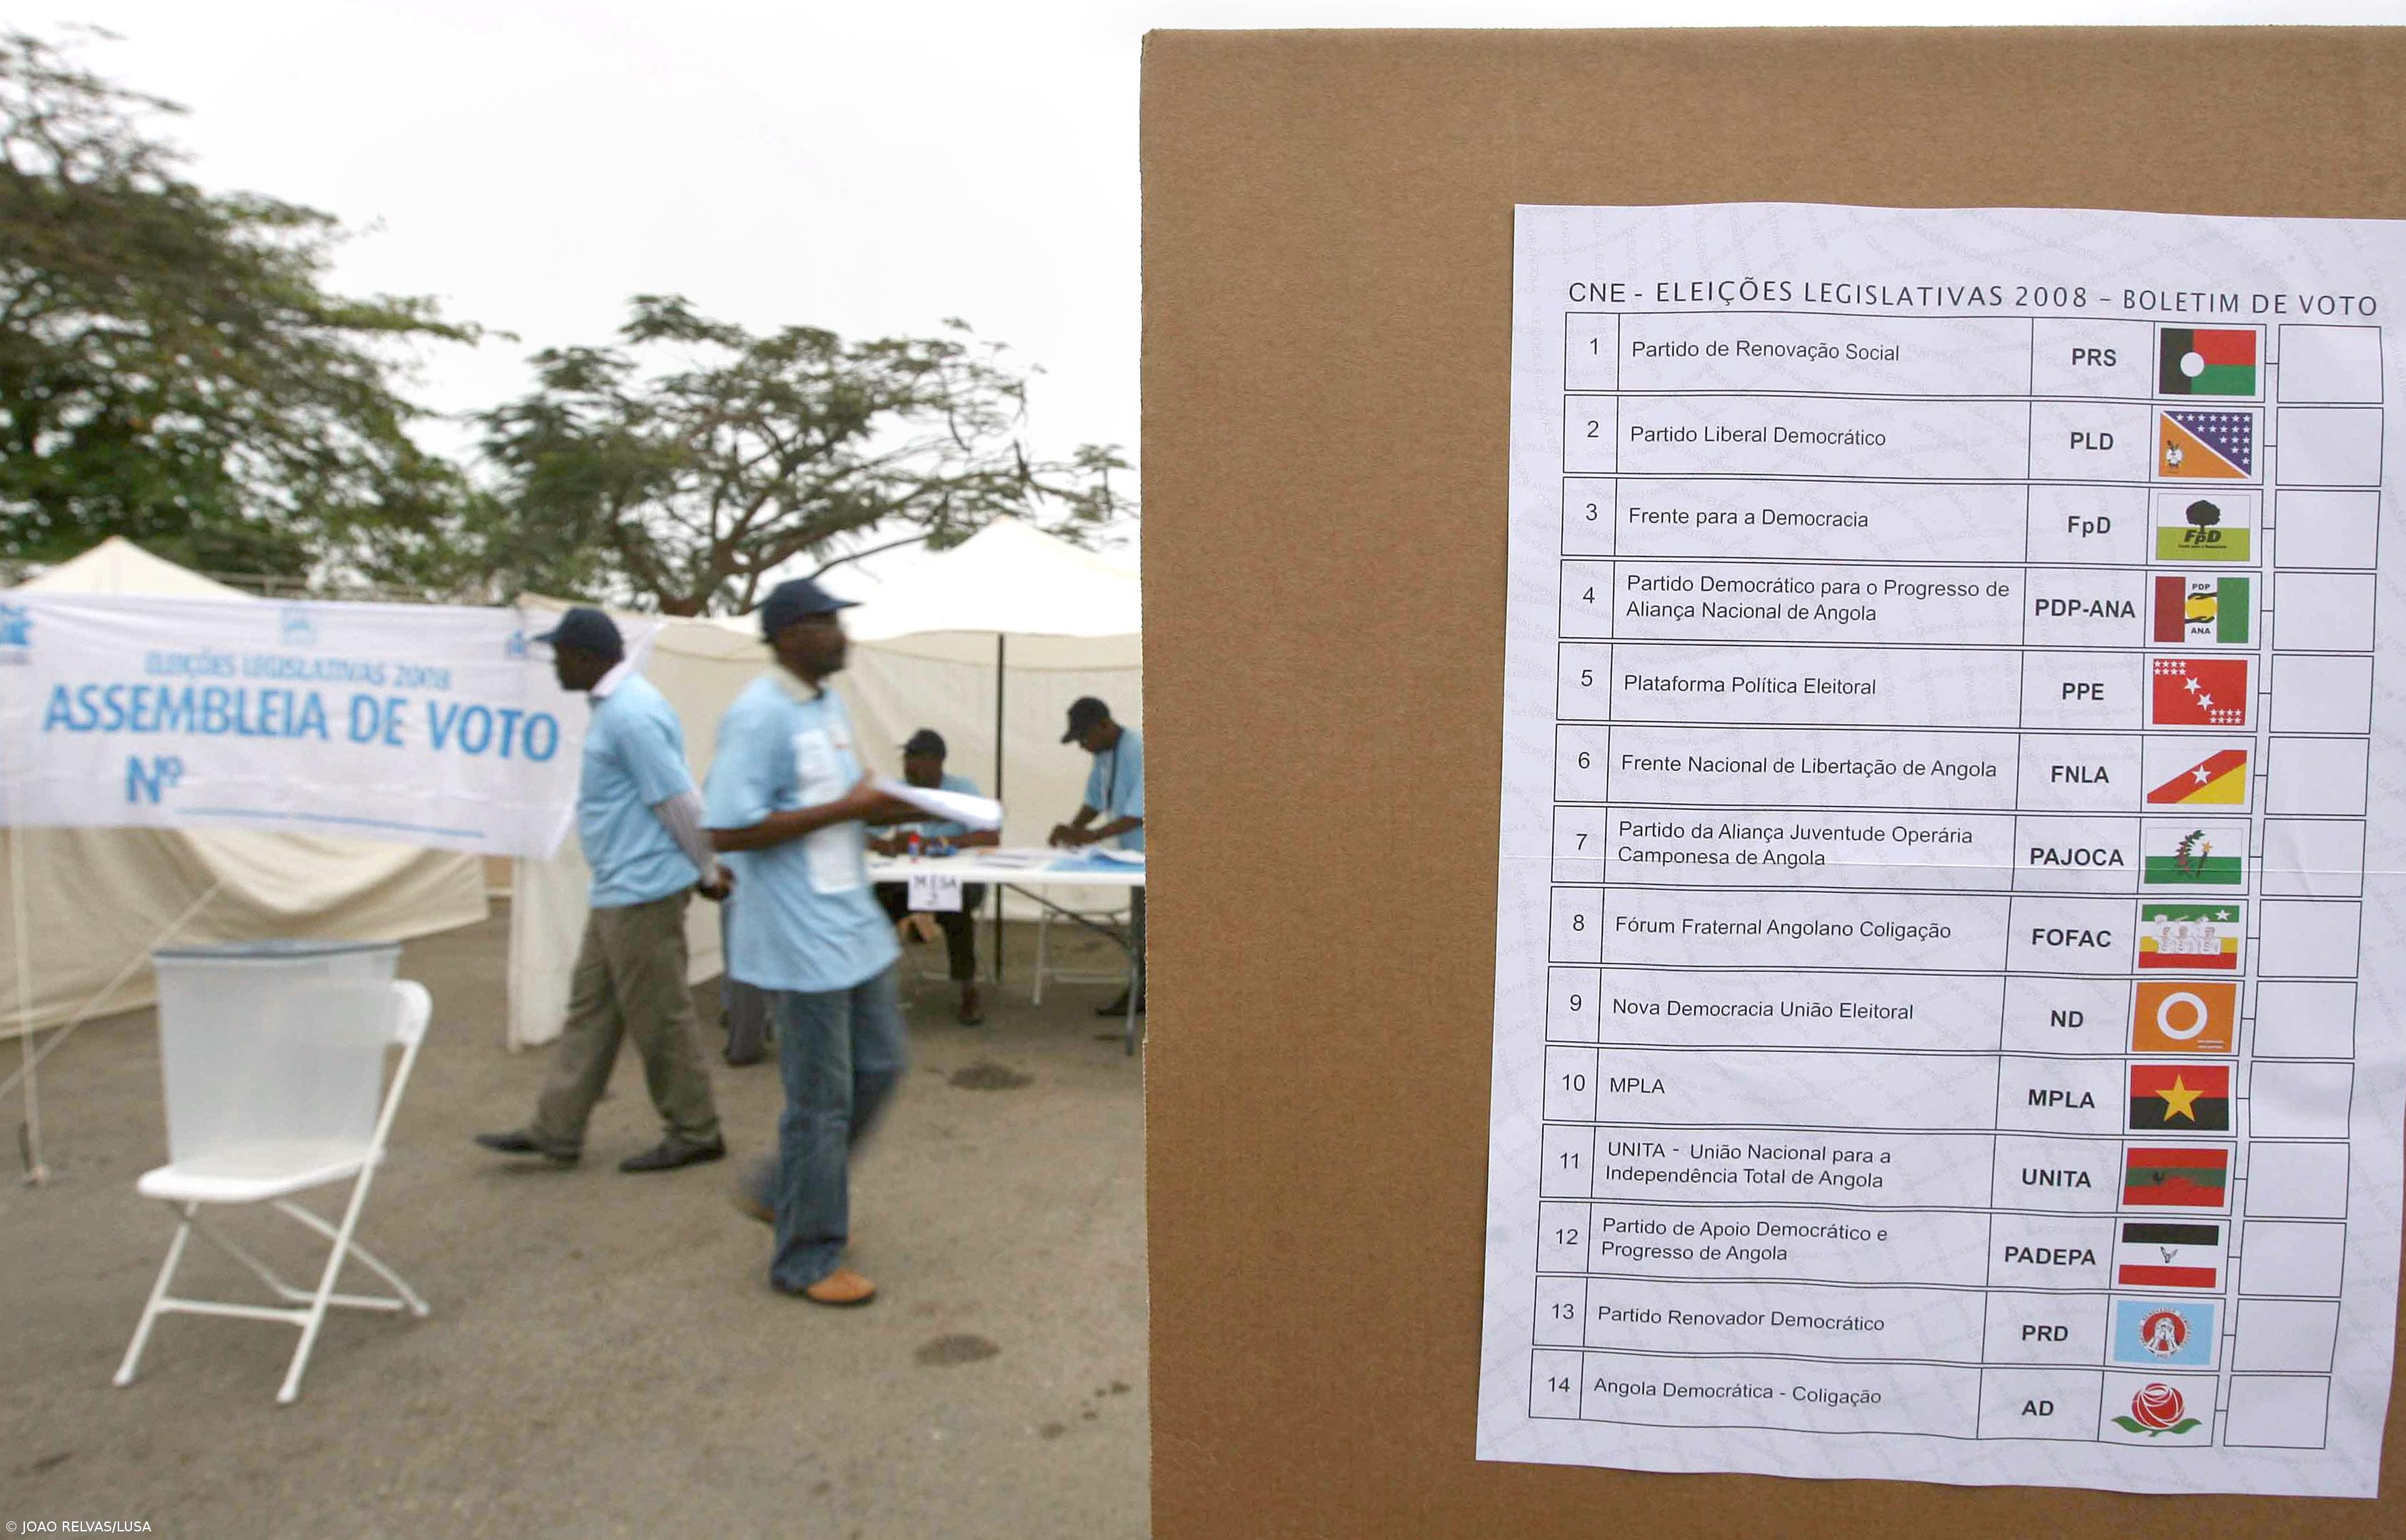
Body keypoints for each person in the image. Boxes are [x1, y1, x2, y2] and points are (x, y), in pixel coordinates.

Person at [704, 576, 920, 1307]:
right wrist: (845, 807)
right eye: (830, 623)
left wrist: (880, 809)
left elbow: (843, 799)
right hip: (801, 940)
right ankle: (804, 1257)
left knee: (883, 1067)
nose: (843, 635)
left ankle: (781, 1188)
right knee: (819, 1104)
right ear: (791, 634)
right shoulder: (756, 716)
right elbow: (728, 828)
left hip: (851, 925)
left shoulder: (826, 705)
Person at [476, 607, 730, 1173]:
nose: (555, 665)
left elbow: (677, 800)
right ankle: (557, 1128)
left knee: (660, 1014)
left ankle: (696, 1129)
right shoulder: (617, 709)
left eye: (561, 654)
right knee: (591, 1010)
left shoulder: (631, 715)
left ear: (589, 655)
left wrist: (709, 870)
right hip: (620, 889)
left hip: (643, 891)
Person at [870, 728, 998, 1025]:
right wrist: (886, 844)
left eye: (917, 760)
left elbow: (991, 836)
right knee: (871, 903)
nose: (909, 767)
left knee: (953, 901)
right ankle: (867, 986)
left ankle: (968, 988)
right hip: (911, 881)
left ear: (939, 762)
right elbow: (862, 832)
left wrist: (942, 844)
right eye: (907, 760)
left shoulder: (961, 790)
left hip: (960, 882)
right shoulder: (900, 792)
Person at [1047, 695, 1144, 1015]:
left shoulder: (1143, 748)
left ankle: (1144, 995)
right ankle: (1143, 991)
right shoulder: (1103, 754)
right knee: (1143, 929)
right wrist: (1072, 828)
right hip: (1133, 858)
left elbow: (1140, 812)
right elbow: (1095, 801)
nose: (1083, 746)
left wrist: (1092, 835)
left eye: (1085, 738)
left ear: (1105, 725)